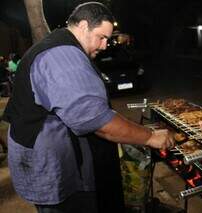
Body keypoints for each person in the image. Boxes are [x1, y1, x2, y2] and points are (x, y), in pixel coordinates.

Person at [3, 2, 175, 213]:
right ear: (83, 26)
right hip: (50, 166)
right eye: (101, 37)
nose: (104, 46)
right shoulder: (63, 57)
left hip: (47, 154)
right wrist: (150, 137)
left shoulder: (60, 46)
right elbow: (98, 121)